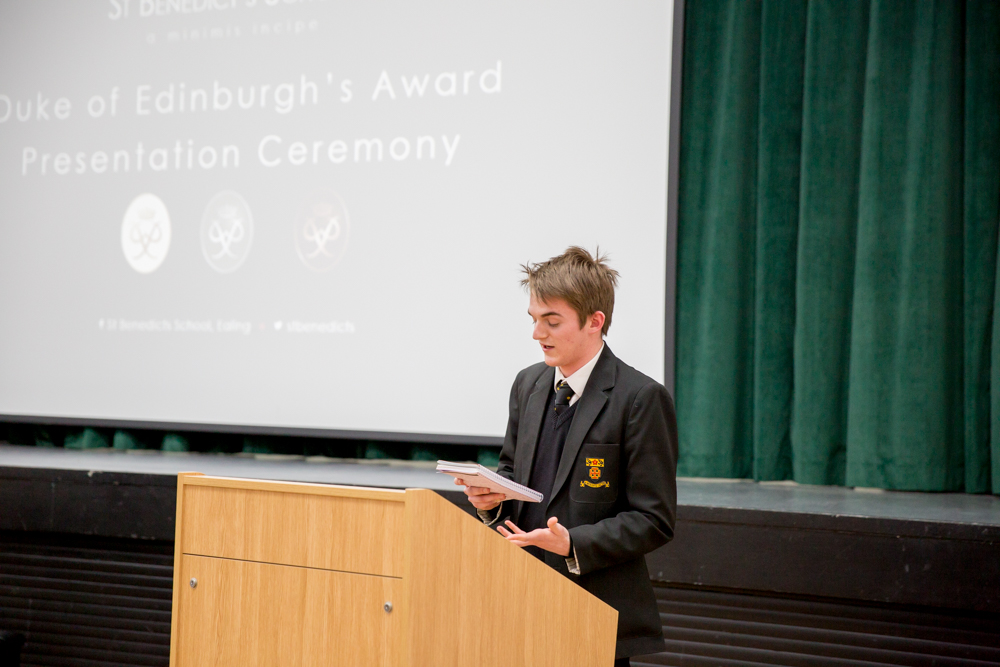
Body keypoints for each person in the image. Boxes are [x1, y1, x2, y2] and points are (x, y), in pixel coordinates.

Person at [456, 246, 678, 665]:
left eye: (551, 321)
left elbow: (654, 520)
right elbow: (512, 474)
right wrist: (491, 501)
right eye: (534, 320)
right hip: (517, 607)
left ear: (595, 322)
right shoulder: (528, 383)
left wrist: (572, 542)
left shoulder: (640, 398)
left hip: (593, 614)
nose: (537, 334)